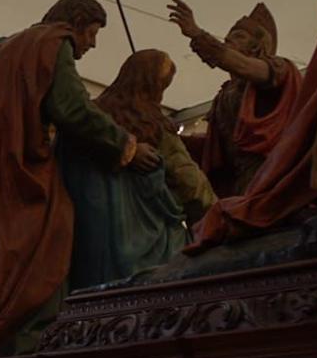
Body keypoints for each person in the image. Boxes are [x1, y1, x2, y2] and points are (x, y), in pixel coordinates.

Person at [0, 0, 152, 358]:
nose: (91, 44)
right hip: (14, 176)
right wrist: (126, 146)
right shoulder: (51, 44)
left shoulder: (1, 49)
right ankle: (31, 357)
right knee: (44, 249)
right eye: (92, 33)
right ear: (75, 22)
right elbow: (73, 109)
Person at [62, 50, 214, 290]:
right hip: (146, 247)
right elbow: (190, 183)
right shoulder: (152, 124)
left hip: (87, 245)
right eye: (163, 85)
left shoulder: (89, 119)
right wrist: (217, 217)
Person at [169, 0, 299, 199]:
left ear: (257, 47)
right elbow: (215, 149)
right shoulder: (225, 94)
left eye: (238, 36)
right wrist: (170, 137)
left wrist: (197, 33)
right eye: (229, 35)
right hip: (237, 181)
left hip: (269, 174)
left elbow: (243, 66)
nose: (228, 39)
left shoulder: (277, 68)